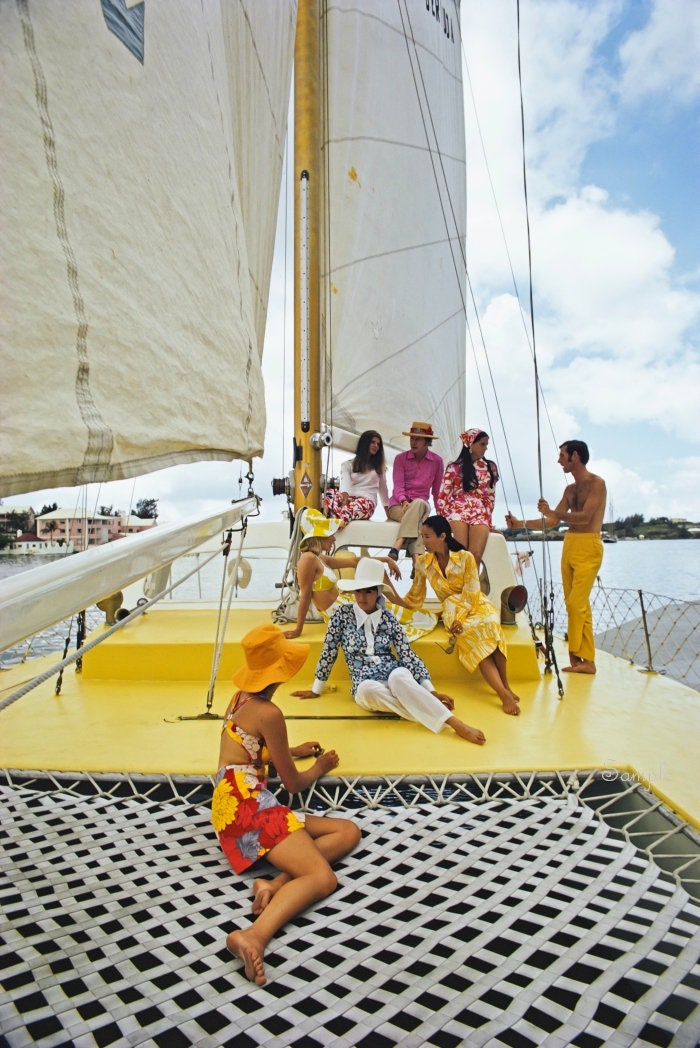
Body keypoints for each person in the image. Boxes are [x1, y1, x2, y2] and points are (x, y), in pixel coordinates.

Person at [213, 624, 361, 985]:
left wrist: (291, 751)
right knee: (321, 877)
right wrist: (320, 766)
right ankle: (254, 935)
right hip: (250, 808)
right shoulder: (270, 712)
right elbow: (293, 784)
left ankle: (273, 885)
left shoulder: (240, 698)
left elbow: (250, 745)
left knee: (347, 831)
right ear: (281, 671)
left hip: (231, 801)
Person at [291, 557, 486, 745]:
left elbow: (406, 654)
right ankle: (435, 713)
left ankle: (454, 723)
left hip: (392, 672)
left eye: (368, 592)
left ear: (378, 593)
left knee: (400, 676)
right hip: (364, 682)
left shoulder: (388, 618)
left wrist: (430, 690)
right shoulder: (342, 616)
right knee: (367, 691)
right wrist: (316, 689)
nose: (361, 597)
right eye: (358, 591)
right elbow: (329, 651)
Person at [392, 516, 521, 716]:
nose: (423, 542)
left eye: (427, 537)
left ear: (442, 536)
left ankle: (506, 686)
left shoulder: (465, 557)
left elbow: (471, 591)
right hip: (451, 608)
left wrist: (461, 618)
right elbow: (415, 596)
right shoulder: (424, 563)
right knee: (473, 636)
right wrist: (389, 592)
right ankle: (502, 693)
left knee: (491, 625)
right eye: (422, 537)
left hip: (476, 602)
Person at [505, 439, 606, 674]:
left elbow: (585, 517)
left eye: (562, 455)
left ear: (576, 456)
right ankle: (584, 661)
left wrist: (553, 511)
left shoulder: (597, 484)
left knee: (575, 603)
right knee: (579, 606)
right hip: (570, 545)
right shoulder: (570, 490)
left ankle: (579, 657)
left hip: (589, 546)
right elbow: (552, 522)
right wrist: (520, 524)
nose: (559, 460)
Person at [283, 508, 436, 642]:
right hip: (340, 613)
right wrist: (298, 629)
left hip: (345, 601)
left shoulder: (319, 558)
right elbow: (305, 596)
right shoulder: (307, 559)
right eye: (331, 534)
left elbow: (355, 561)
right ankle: (402, 607)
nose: (334, 538)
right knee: (403, 620)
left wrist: (385, 559)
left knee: (378, 570)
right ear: (319, 536)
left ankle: (400, 605)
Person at [437, 429, 499, 566]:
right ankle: (459, 587)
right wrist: (442, 521)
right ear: (471, 444)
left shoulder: (490, 467)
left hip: (479, 512)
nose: (486, 448)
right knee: (462, 553)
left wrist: (488, 520)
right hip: (457, 511)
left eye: (486, 444)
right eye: (482, 444)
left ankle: (471, 587)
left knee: (476, 555)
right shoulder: (454, 467)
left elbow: (490, 497)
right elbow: (443, 496)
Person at [386, 421, 444, 567]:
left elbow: (437, 492)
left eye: (417, 439)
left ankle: (397, 544)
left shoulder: (437, 461)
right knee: (420, 523)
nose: (413, 442)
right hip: (398, 506)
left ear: (427, 442)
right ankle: (417, 562)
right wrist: (403, 501)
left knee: (418, 504)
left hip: (421, 505)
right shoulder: (400, 458)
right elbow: (398, 486)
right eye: (412, 438)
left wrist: (441, 514)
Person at [323, 430, 389, 524]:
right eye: (372, 442)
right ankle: (324, 514)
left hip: (367, 502)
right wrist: (344, 495)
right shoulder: (347, 465)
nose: (376, 446)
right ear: (365, 443)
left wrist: (388, 515)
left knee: (346, 511)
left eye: (378, 444)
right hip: (348, 497)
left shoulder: (379, 469)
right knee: (330, 492)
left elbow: (384, 493)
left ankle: (332, 520)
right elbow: (345, 481)